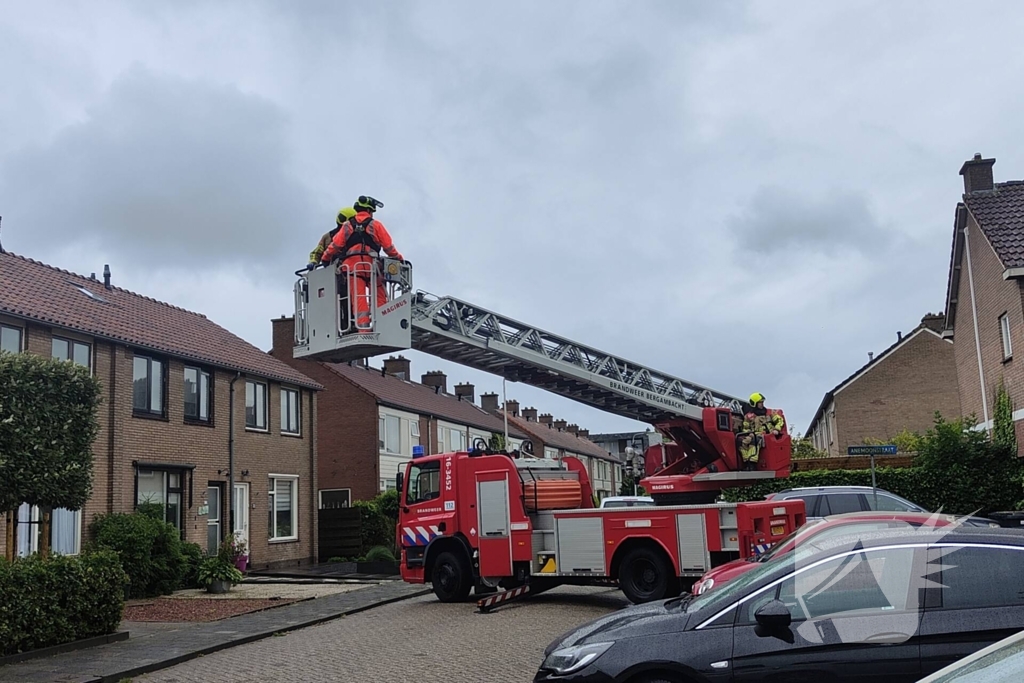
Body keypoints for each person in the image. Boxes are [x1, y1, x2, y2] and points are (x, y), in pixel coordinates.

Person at [320, 195, 404, 331]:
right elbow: (389, 247)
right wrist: (399, 258)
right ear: (370, 211)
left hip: (353, 269)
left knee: (359, 301)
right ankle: (383, 326)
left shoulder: (347, 226)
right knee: (380, 298)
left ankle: (363, 329)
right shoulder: (376, 225)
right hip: (373, 267)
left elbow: (335, 245)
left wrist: (325, 258)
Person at [737, 392, 785, 470]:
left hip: (766, 435)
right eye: (760, 402)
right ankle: (746, 462)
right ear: (754, 404)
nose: (762, 404)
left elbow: (780, 421)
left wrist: (776, 429)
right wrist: (749, 433)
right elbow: (745, 427)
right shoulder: (748, 416)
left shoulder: (769, 413)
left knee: (755, 441)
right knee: (740, 441)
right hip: (753, 435)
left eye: (762, 402)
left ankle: (752, 464)